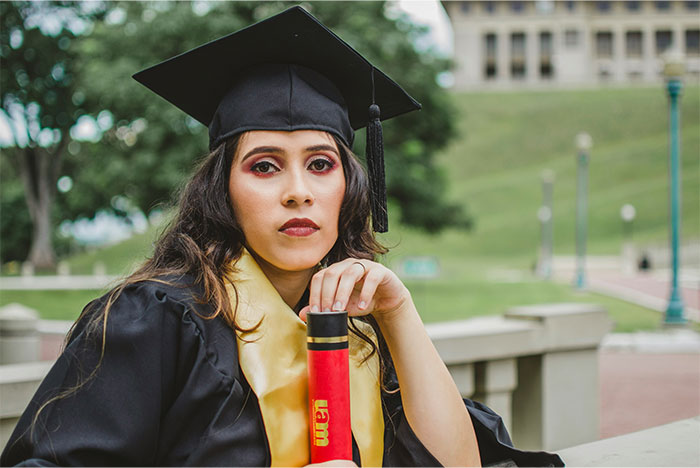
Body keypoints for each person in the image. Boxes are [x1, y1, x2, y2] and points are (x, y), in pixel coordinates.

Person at [2, 7, 562, 467]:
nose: (298, 192)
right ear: (222, 189)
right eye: (265, 166)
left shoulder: (363, 326)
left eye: (321, 164)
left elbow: (459, 464)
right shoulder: (158, 320)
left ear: (349, 185)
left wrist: (398, 312)